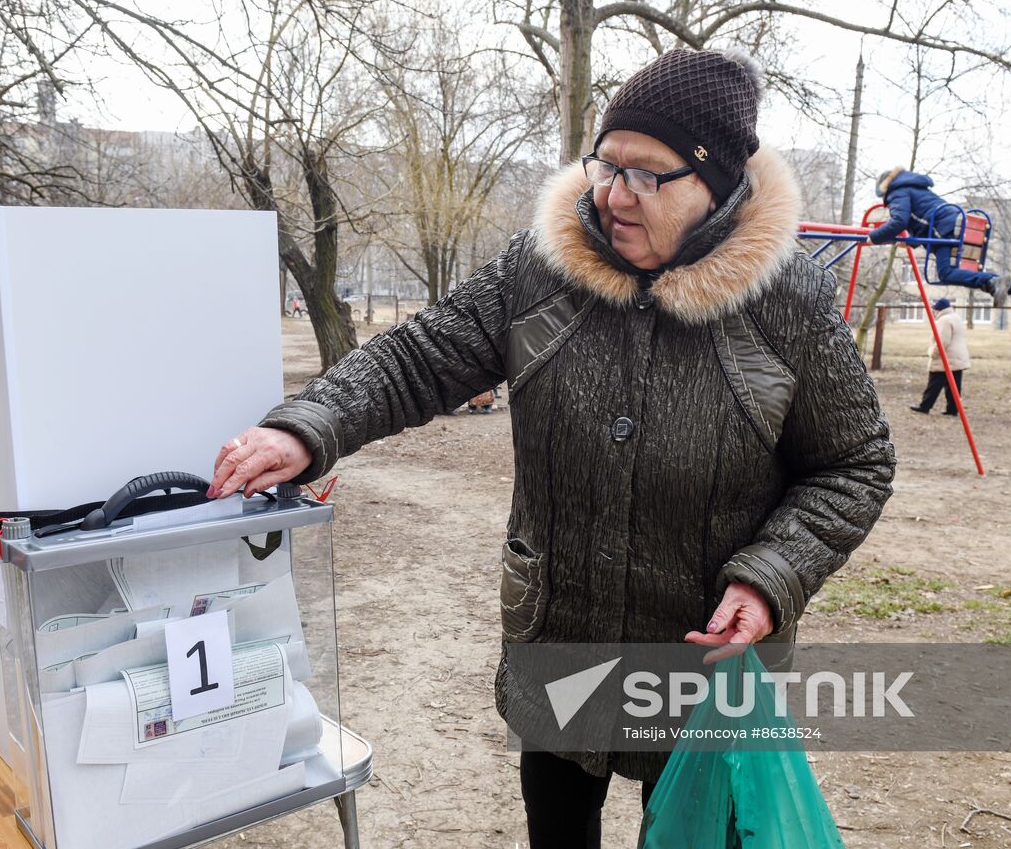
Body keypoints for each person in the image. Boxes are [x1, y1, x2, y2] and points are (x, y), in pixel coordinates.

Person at [206, 48, 895, 848]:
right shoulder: (541, 268)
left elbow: (855, 462)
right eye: (605, 163)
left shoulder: (788, 299)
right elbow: (420, 355)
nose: (611, 193)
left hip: (706, 657)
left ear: (715, 183)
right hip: (561, 638)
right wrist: (307, 425)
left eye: (647, 175)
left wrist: (774, 576)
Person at [867, 168, 1011, 312]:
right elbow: (922, 219)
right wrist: (911, 241)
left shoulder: (897, 192)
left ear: (885, 189)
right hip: (951, 224)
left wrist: (873, 237)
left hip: (942, 228)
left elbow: (899, 221)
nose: (886, 204)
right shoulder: (915, 188)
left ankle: (991, 282)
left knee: (946, 273)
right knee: (953, 272)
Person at [910, 298, 969, 416]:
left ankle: (924, 406)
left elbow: (942, 341)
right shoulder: (955, 317)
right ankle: (953, 409)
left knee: (934, 384)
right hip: (957, 357)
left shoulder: (944, 320)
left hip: (946, 358)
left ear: (938, 310)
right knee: (954, 386)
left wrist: (933, 353)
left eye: (934, 310)